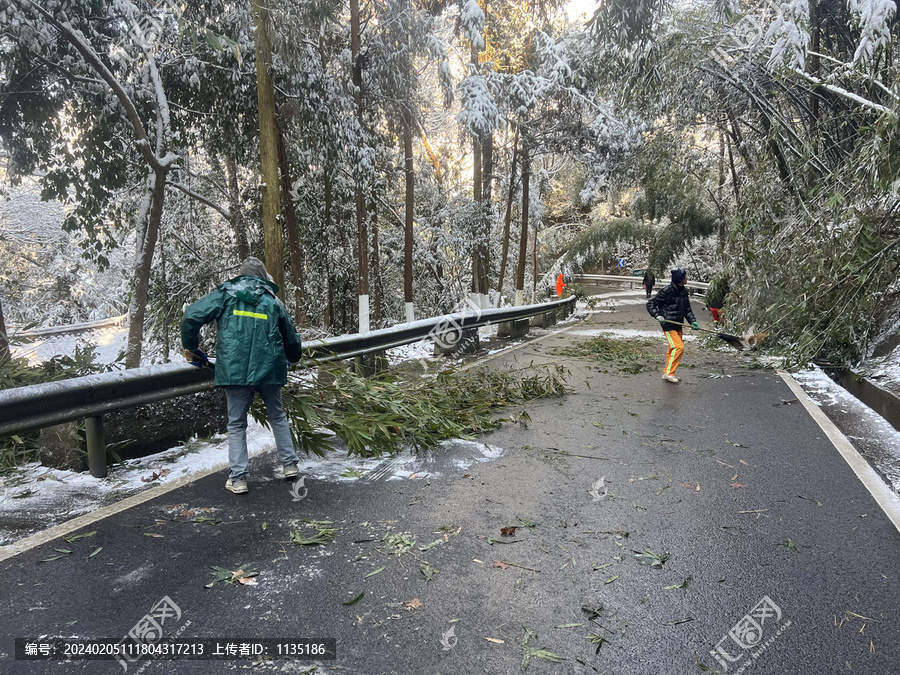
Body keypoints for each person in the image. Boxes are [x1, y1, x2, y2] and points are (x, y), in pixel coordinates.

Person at [181, 257, 303, 494]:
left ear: (242, 275)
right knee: (277, 415)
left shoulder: (225, 295)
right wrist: (293, 357)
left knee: (236, 424)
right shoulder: (272, 301)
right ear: (262, 277)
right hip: (269, 369)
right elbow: (291, 335)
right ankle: (289, 465)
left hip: (235, 370)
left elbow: (191, 317)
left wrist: (192, 349)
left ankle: (238, 479)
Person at [646, 267, 699, 383]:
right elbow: (651, 304)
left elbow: (687, 309)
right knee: (678, 348)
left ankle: (668, 372)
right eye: (685, 276)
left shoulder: (684, 291)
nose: (687, 278)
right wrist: (658, 316)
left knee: (673, 349)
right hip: (668, 325)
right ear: (680, 278)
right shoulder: (667, 291)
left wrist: (692, 321)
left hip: (678, 324)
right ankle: (669, 373)